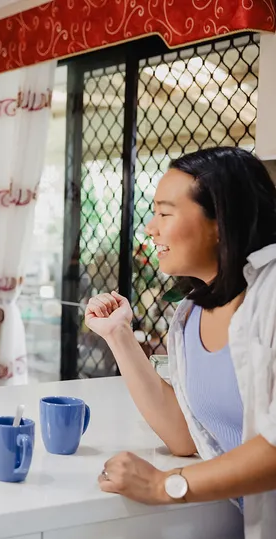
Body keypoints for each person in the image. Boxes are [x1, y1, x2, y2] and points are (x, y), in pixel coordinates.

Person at [85, 147, 276, 537]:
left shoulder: (272, 294)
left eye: (164, 212)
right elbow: (186, 435)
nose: (150, 228)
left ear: (220, 221)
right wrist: (119, 336)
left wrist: (165, 485)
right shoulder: (190, 314)